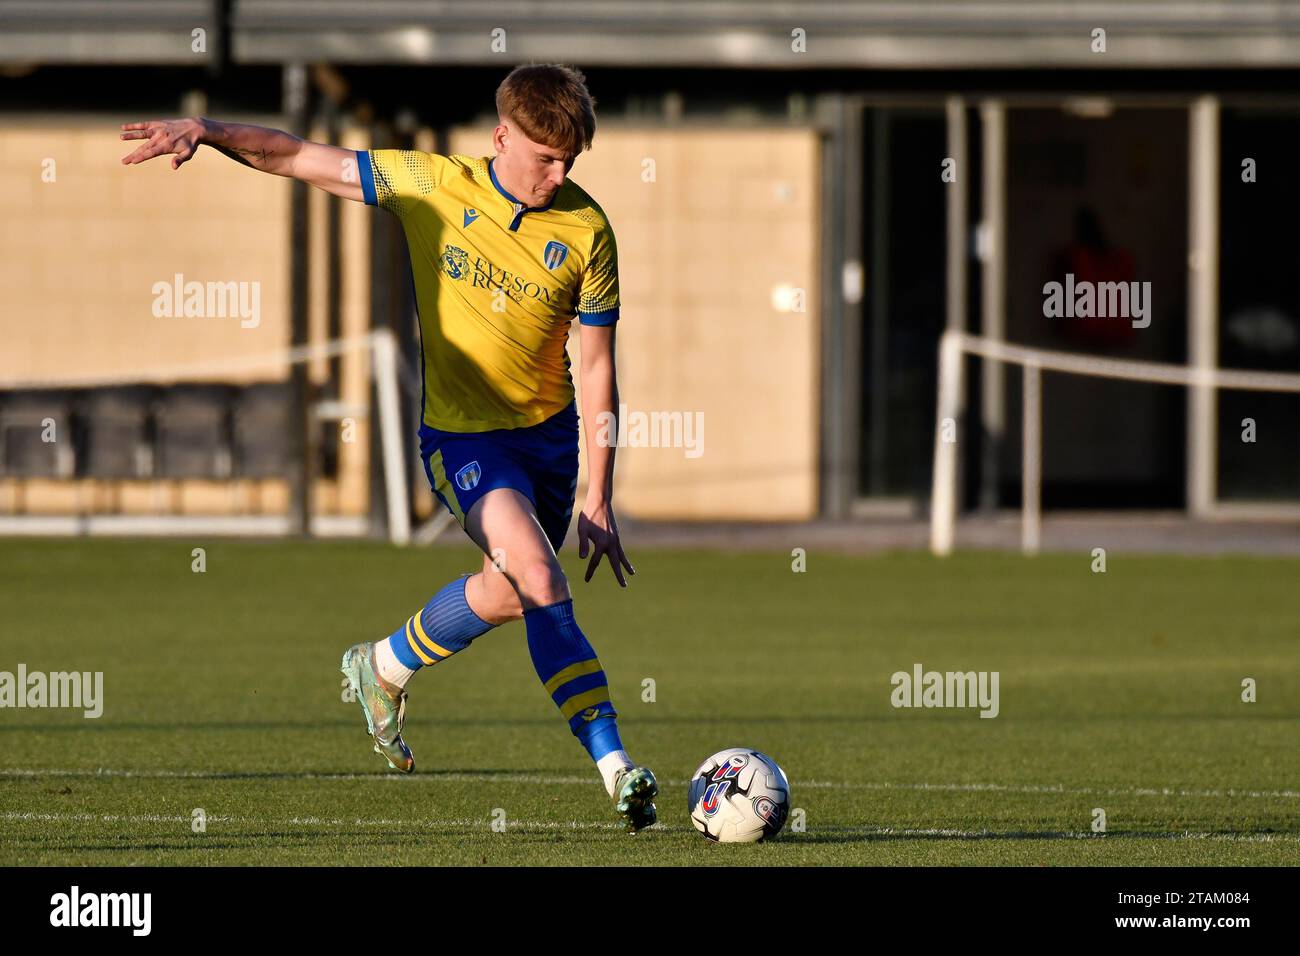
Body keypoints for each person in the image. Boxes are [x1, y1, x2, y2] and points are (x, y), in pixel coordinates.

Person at [119, 63, 658, 832]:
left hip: (549, 441)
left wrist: (598, 492)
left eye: (570, 161)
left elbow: (599, 365)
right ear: (501, 135)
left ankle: (381, 667)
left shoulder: (588, 229)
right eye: (545, 156)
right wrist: (207, 132)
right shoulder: (430, 184)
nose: (558, 174)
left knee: (509, 592)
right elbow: (296, 155)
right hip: (463, 437)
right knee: (539, 574)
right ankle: (618, 769)